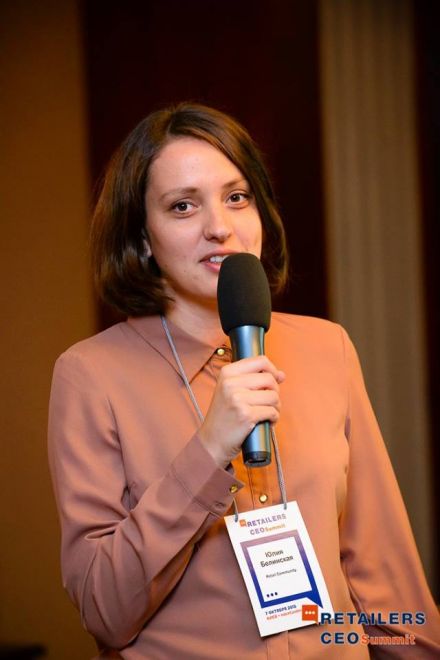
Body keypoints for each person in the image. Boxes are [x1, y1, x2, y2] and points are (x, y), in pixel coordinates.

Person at [48, 103, 440, 659]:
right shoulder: (91, 375)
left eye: (237, 197)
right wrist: (208, 451)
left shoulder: (327, 348)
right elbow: (104, 611)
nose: (220, 227)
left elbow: (383, 573)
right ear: (142, 236)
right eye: (183, 206)